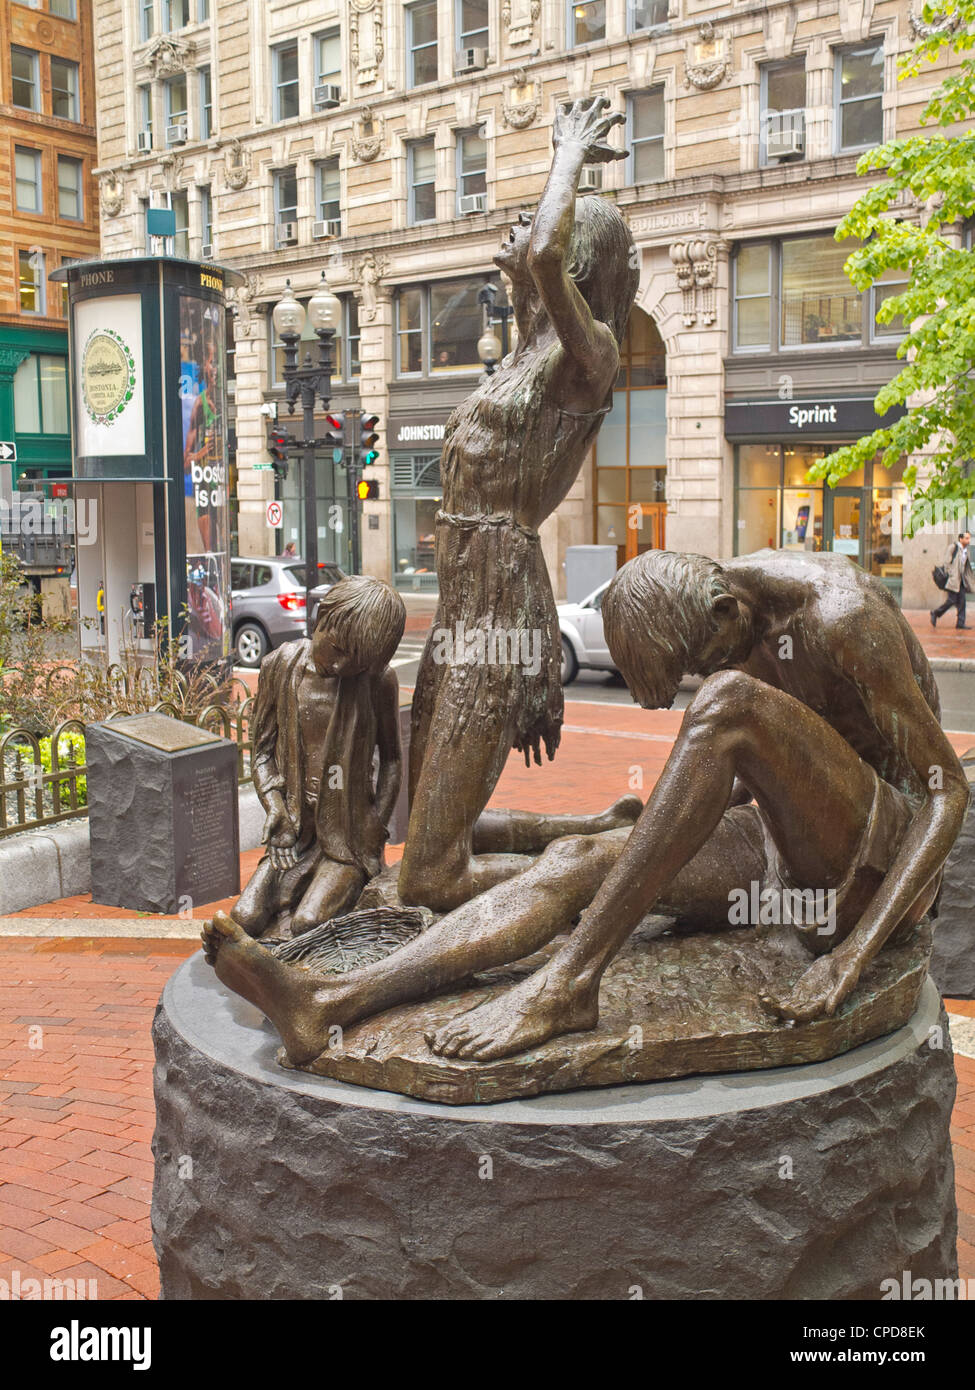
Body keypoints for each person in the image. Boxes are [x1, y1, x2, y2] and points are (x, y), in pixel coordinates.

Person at [202, 548, 969, 1068]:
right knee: (579, 861)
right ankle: (329, 1001)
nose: (711, 673)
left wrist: (850, 959)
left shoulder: (840, 619)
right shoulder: (741, 614)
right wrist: (658, 840)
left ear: (724, 610)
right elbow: (781, 772)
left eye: (703, 661)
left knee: (734, 705)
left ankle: (568, 983)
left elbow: (947, 792)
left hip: (871, 862)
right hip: (788, 845)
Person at [397, 96, 641, 913]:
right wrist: (518, 266)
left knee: (426, 873)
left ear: (577, 262)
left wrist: (568, 151)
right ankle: (594, 831)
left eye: (552, 237)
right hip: (462, 598)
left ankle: (604, 878)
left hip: (497, 598)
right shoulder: (531, 348)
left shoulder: (590, 357)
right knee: (429, 815)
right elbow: (532, 265)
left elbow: (540, 255)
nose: (531, 238)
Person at [226, 575, 405, 940]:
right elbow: (261, 753)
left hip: (348, 841)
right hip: (295, 833)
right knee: (244, 917)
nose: (340, 667)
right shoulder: (279, 667)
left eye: (355, 663)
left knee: (307, 924)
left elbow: (392, 760)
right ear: (321, 619)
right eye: (337, 649)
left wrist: (376, 826)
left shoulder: (378, 681)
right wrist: (275, 807)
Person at [931, 531, 974, 630]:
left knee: (962, 601)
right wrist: (952, 574)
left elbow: (965, 566)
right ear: (961, 539)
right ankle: (936, 613)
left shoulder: (966, 550)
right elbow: (946, 563)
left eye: (969, 538)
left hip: (962, 581)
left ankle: (960, 623)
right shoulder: (953, 548)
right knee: (951, 600)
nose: (968, 540)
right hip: (953, 580)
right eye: (966, 538)